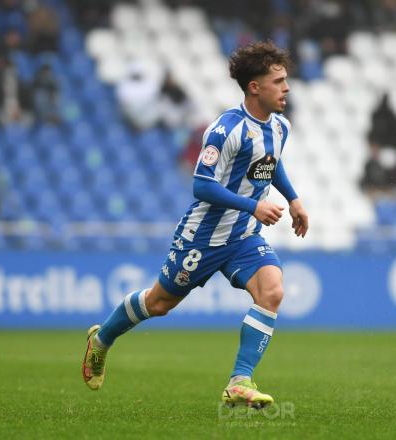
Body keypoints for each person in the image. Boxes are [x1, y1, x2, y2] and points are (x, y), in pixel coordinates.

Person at [82, 41, 309, 409]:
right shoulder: (224, 129)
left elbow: (272, 161)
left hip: (243, 237)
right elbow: (202, 184)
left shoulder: (279, 127)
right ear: (255, 87)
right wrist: (253, 205)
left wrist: (294, 200)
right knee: (158, 303)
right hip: (202, 237)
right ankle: (102, 339)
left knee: (273, 291)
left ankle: (240, 380)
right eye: (278, 81)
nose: (286, 88)